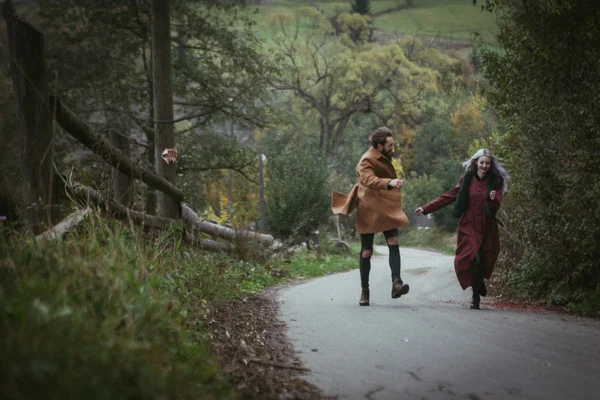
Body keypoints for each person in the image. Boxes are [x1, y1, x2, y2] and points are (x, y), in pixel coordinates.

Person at [415, 149, 509, 310]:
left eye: (487, 163)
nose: (484, 166)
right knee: (473, 258)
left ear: (490, 164)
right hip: (469, 225)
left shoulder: (496, 181)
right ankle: (475, 295)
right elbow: (449, 196)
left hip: (487, 226)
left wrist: (493, 199)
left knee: (485, 257)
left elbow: (496, 204)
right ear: (475, 163)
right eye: (481, 162)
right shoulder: (467, 179)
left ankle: (479, 284)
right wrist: (426, 209)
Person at [332, 126, 410, 306]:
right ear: (379, 146)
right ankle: (365, 291)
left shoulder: (385, 155)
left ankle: (396, 283)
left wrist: (390, 185)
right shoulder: (366, 160)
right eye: (390, 145)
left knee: (394, 242)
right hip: (367, 208)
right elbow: (367, 180)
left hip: (385, 207)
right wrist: (389, 182)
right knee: (367, 251)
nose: (393, 147)